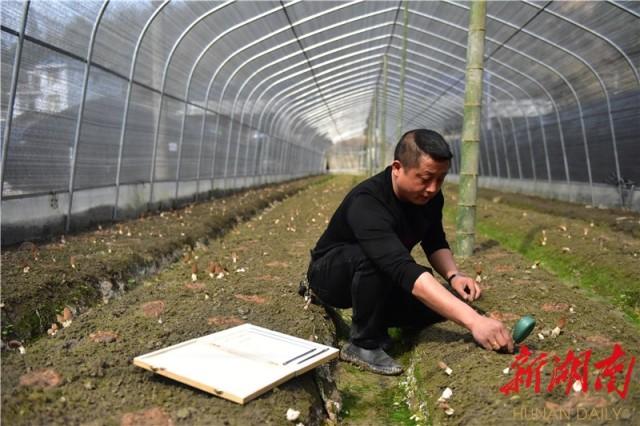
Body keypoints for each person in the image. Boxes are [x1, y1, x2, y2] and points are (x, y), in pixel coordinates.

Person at [306, 129, 514, 375]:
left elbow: (434, 241)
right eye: (425, 178)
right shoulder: (368, 201)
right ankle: (362, 343)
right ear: (397, 167)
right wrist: (475, 321)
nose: (432, 188)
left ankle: (378, 319)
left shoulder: (430, 199)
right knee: (374, 260)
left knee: (432, 309)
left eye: (440, 179)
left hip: (379, 276)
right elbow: (400, 267)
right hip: (331, 277)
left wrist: (454, 276)